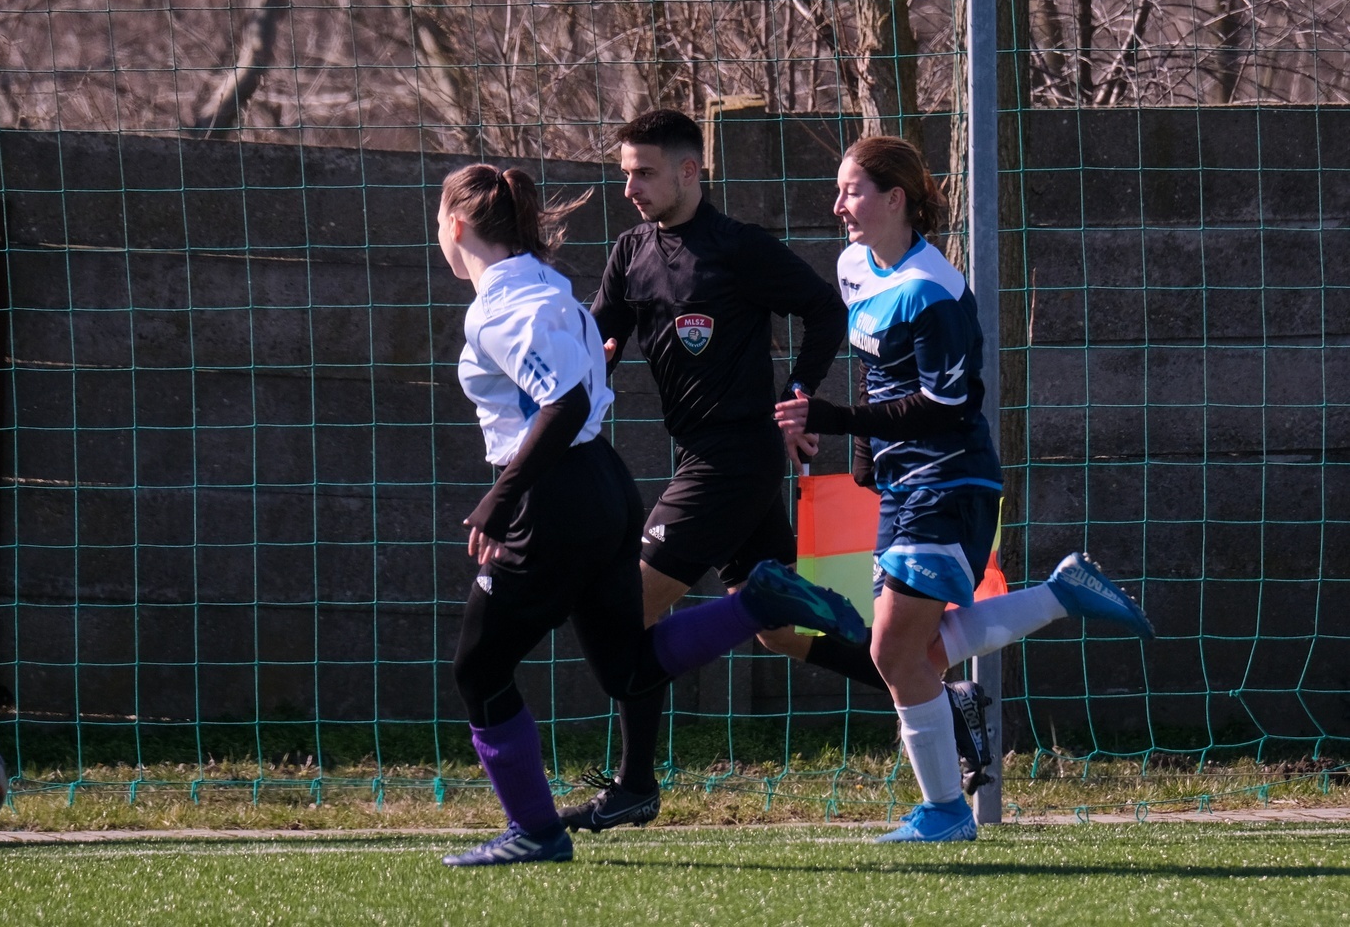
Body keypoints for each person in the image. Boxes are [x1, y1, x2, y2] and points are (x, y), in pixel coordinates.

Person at [564, 110, 994, 835]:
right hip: (706, 458)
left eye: (643, 173)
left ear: (689, 171)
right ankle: (943, 702)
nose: (630, 188)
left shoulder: (738, 248)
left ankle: (634, 786)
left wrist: (798, 396)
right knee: (784, 635)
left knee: (627, 610)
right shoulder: (631, 250)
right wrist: (575, 363)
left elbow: (823, 311)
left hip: (734, 463)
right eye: (626, 174)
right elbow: (600, 332)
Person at [434, 163, 868, 867]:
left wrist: (498, 499)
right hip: (603, 484)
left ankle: (536, 831)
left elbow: (566, 403)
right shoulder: (548, 286)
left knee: (479, 670)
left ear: (456, 226)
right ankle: (758, 602)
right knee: (627, 667)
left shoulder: (498, 308)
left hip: (551, 499)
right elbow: (577, 385)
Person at [775, 136, 1155, 842]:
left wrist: (835, 419)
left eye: (852, 191)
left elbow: (942, 405)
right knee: (914, 656)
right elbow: (875, 373)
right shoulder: (854, 267)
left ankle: (948, 813)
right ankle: (1062, 594)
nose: (837, 206)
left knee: (893, 655)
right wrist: (864, 454)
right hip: (905, 484)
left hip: (950, 481)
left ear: (895, 199)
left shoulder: (934, 291)